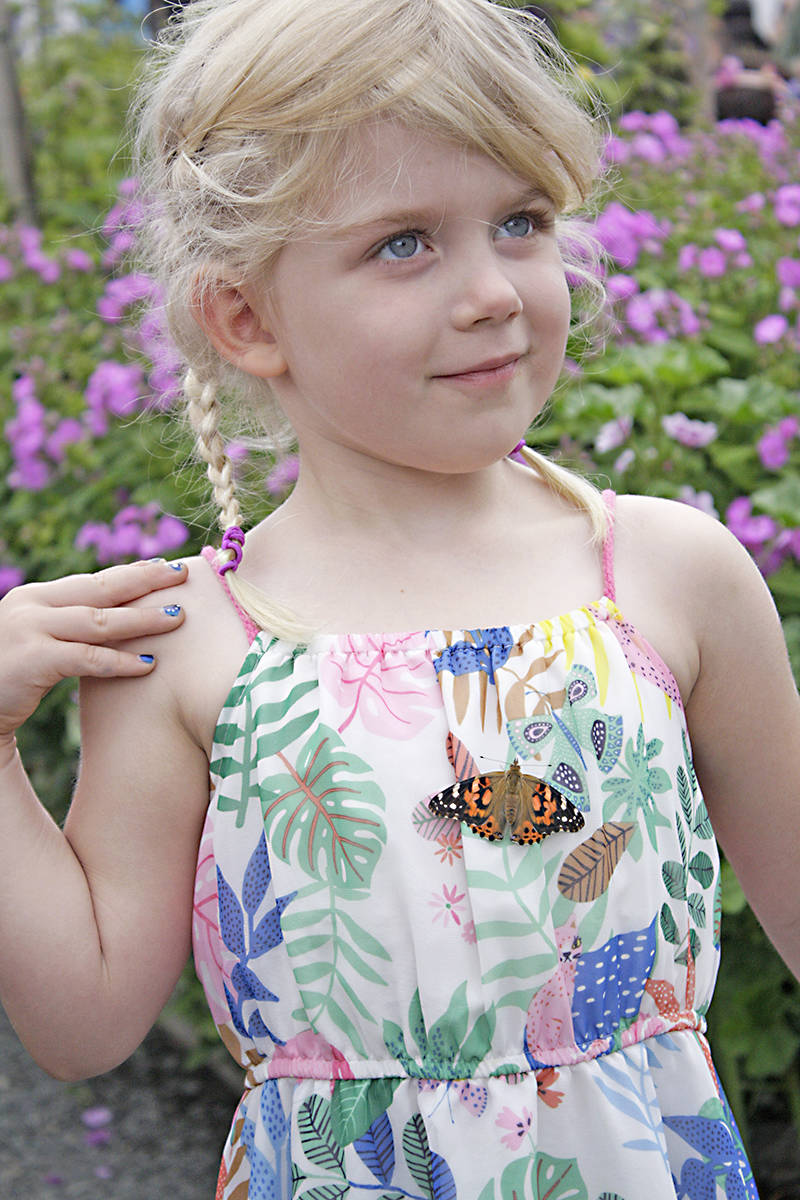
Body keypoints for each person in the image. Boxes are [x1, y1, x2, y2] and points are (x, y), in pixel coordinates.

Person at [1, 0, 798, 1195]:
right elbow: (84, 1026)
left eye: (519, 222)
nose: (490, 290)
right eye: (403, 243)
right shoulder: (193, 642)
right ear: (247, 318)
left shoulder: (668, 574)